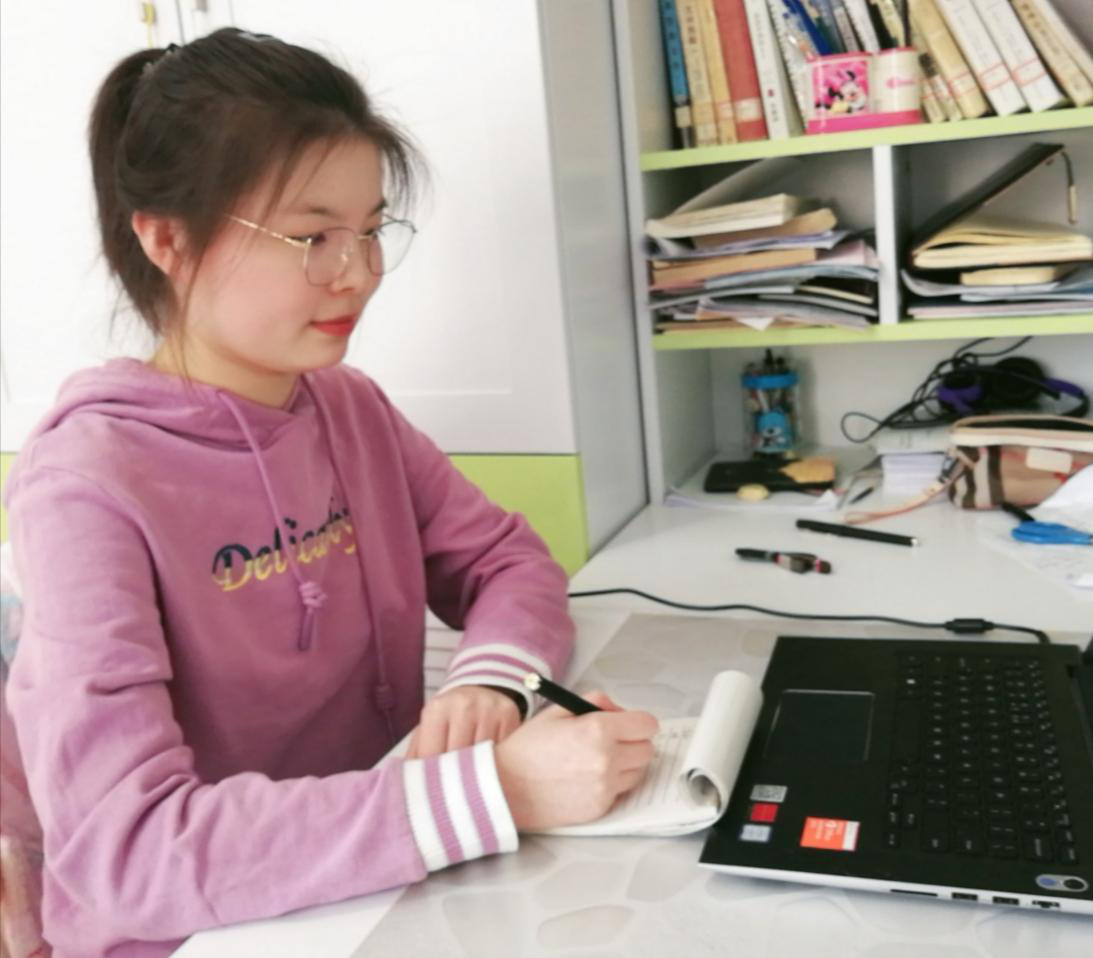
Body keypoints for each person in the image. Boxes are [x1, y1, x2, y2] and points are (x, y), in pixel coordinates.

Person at [0, 28, 657, 957]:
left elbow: (506, 561)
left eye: (370, 230)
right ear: (167, 239)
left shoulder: (349, 409)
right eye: (311, 238)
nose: (358, 274)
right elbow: (129, 854)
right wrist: (495, 791)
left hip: (372, 888)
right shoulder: (86, 484)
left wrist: (491, 678)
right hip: (200, 934)